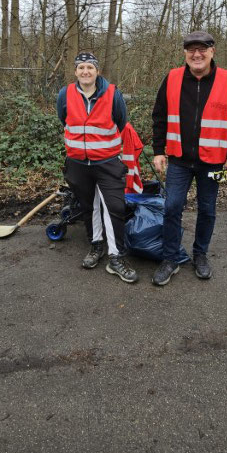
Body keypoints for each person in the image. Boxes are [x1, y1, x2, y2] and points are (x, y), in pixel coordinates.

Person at [151, 30, 227, 286]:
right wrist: (158, 150)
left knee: (207, 210)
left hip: (213, 160)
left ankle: (200, 254)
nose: (197, 54)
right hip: (179, 158)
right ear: (185, 53)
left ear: (212, 51)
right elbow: (159, 116)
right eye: (191, 49)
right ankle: (170, 258)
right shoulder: (171, 78)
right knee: (171, 207)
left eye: (202, 49)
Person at [57, 52, 138, 284]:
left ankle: (116, 257)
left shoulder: (113, 94)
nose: (85, 72)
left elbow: (121, 122)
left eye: (90, 68)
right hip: (78, 164)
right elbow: (64, 119)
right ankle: (96, 245)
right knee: (88, 206)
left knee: (114, 206)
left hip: (107, 162)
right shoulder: (65, 94)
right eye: (81, 67)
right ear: (75, 72)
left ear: (97, 71)